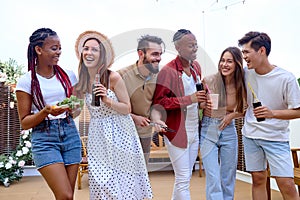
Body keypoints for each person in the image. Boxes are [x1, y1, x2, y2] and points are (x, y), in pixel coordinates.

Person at [73, 30, 152, 199]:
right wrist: (68, 106)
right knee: (103, 181)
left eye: (94, 49)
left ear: (102, 55)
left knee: (125, 181)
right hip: (98, 135)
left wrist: (107, 99)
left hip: (120, 133)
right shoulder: (82, 81)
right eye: (86, 49)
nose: (89, 52)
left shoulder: (113, 77)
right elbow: (76, 111)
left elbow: (126, 108)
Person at [16, 28, 81, 200]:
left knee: (67, 197)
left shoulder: (69, 75)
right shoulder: (26, 82)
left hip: (69, 133)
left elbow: (74, 112)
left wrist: (73, 107)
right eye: (54, 48)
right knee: (64, 195)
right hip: (45, 138)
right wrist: (46, 111)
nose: (58, 52)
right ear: (39, 50)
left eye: (59, 48)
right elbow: (24, 122)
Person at [238, 31, 300, 200]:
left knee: (286, 183)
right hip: (250, 136)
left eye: (246, 52)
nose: (244, 57)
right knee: (258, 179)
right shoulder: (245, 73)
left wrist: (272, 113)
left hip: (276, 138)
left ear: (262, 51)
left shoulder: (286, 78)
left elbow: (298, 110)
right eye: (242, 53)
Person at [152, 29, 206, 200]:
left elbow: (199, 94)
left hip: (193, 130)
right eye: (191, 45)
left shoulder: (196, 67)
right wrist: (188, 99)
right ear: (178, 47)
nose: (195, 48)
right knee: (183, 178)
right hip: (176, 132)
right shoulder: (167, 71)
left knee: (185, 178)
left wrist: (203, 100)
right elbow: (159, 103)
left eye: (196, 44)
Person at [200, 47, 246, 200]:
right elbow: (200, 105)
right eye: (222, 60)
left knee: (228, 176)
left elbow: (244, 109)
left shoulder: (241, 84)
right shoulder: (209, 80)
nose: (224, 64)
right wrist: (202, 104)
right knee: (213, 177)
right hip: (209, 128)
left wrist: (231, 116)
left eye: (229, 61)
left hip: (229, 129)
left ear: (237, 64)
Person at [118, 35, 166, 164]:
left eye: (160, 54)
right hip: (122, 133)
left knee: (142, 175)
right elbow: (111, 106)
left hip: (145, 133)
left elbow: (155, 104)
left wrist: (156, 119)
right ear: (141, 53)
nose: (159, 58)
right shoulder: (120, 75)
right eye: (155, 54)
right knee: (125, 174)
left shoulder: (159, 77)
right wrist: (134, 117)